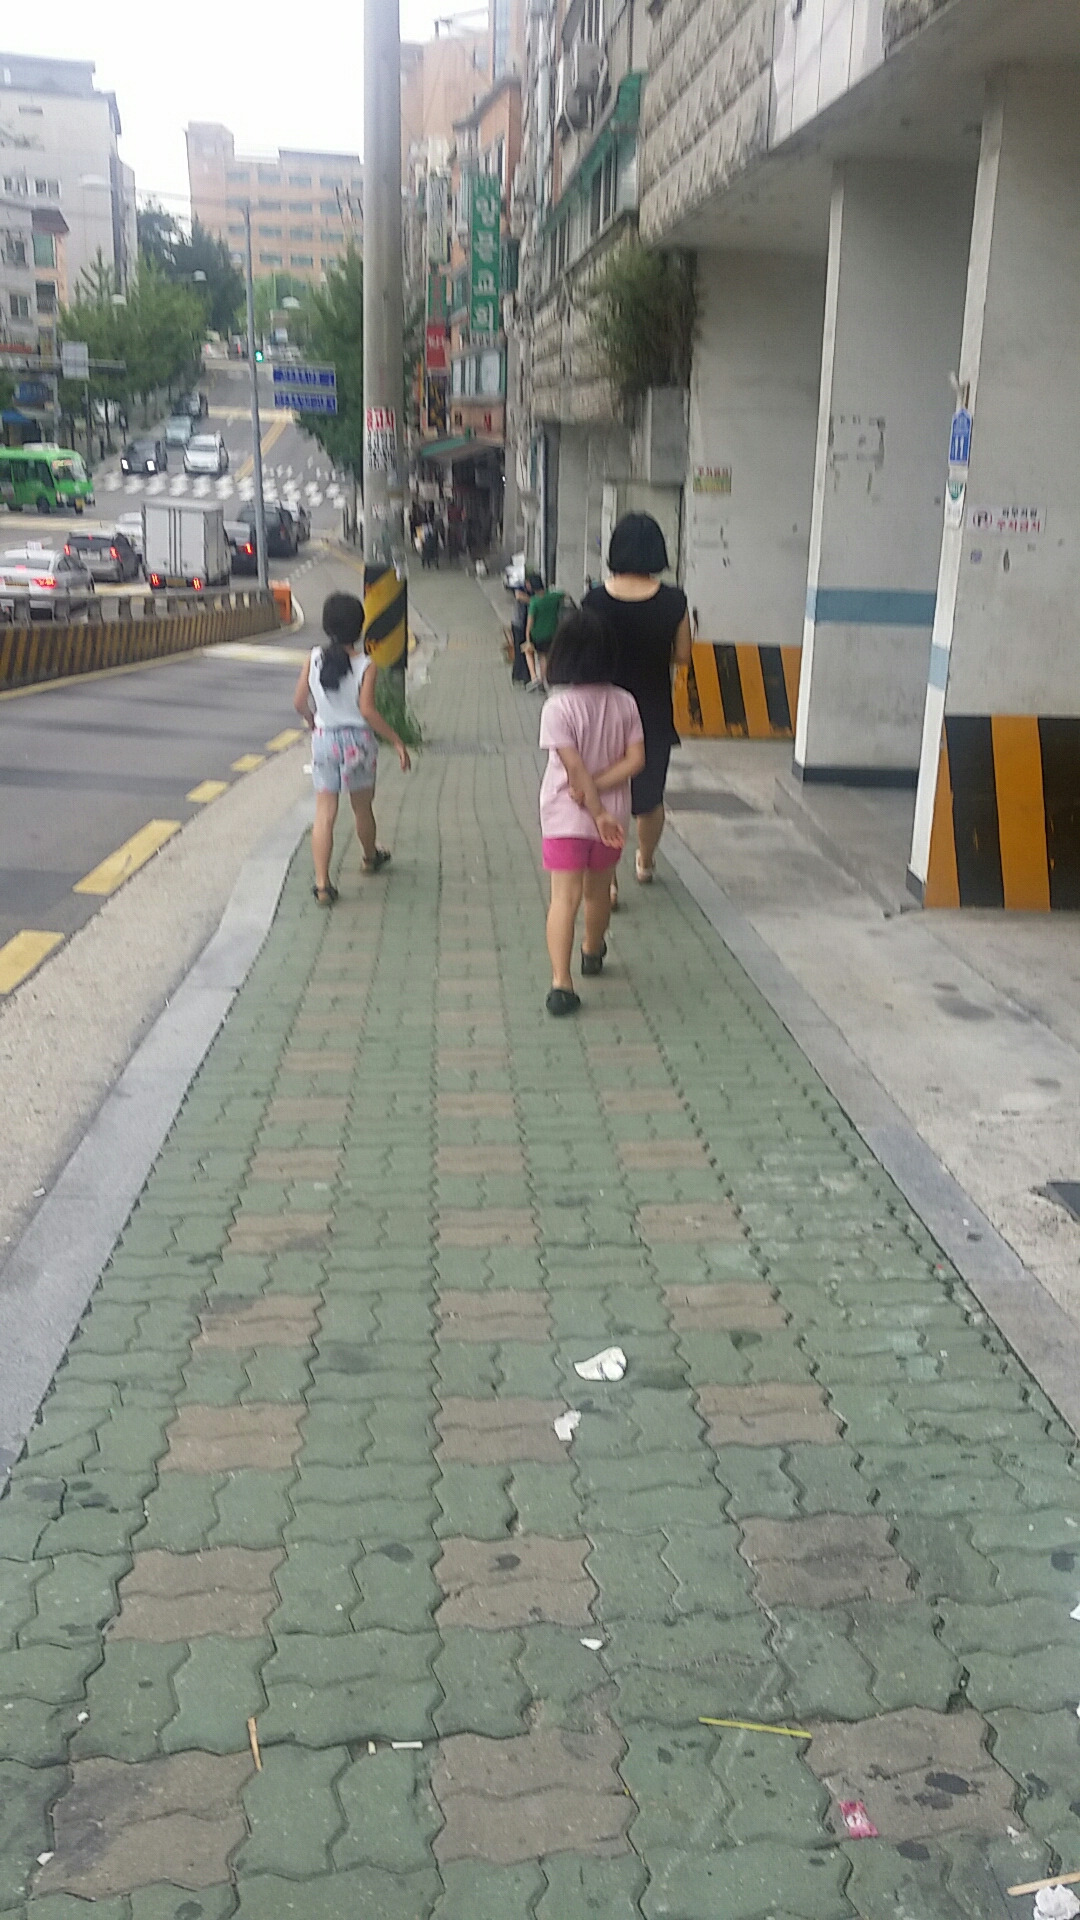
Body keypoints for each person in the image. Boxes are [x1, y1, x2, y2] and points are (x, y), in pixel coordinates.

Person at [538, 609, 646, 1017]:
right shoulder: (625, 702)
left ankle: (561, 983)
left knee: (563, 898)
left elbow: (572, 766)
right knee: (597, 892)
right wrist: (601, 795)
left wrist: (589, 796)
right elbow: (636, 759)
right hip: (613, 816)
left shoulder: (557, 707)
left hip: (565, 816)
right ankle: (592, 950)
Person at [583, 512, 692, 899]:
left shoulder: (594, 600)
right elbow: (683, 656)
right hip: (652, 712)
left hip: (604, 713)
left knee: (606, 795)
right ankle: (645, 861)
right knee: (649, 798)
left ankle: (609, 881)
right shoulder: (675, 601)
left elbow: (585, 654)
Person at [292, 591, 412, 907]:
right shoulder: (366, 665)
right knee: (362, 807)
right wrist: (396, 740)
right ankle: (370, 857)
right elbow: (368, 711)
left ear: (327, 626)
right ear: (359, 627)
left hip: (324, 740)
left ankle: (322, 885)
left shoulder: (313, 658)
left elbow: (299, 702)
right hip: (357, 743)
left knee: (324, 813)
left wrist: (312, 721)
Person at [524, 578, 567, 691]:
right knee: (547, 657)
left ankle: (538, 680)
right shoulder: (553, 596)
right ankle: (545, 679)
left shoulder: (534, 602)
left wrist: (527, 638)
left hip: (537, 634)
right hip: (552, 632)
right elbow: (564, 594)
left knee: (539, 656)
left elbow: (530, 623)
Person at [509, 571, 543, 686]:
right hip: (519, 624)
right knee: (520, 649)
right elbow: (520, 596)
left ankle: (524, 675)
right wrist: (536, 601)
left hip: (529, 624)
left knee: (527, 649)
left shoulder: (535, 591)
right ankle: (521, 675)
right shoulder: (521, 588)